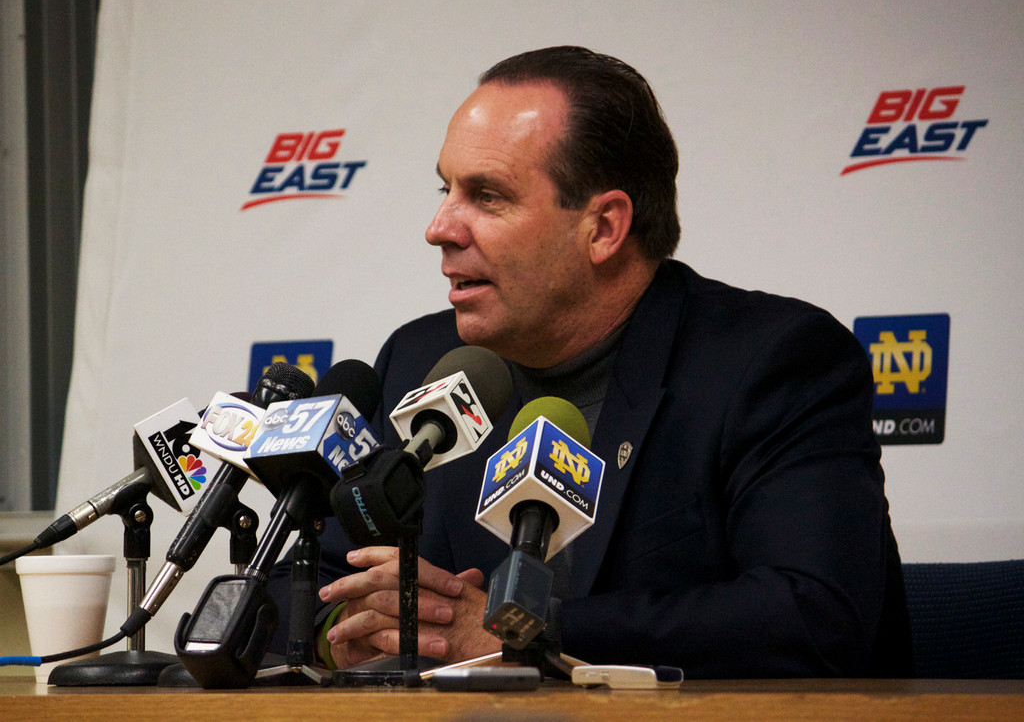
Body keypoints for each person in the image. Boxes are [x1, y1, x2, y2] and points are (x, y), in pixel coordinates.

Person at [268, 46, 913, 678]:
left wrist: (522, 632)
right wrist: (338, 640)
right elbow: (306, 582)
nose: (439, 226)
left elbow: (814, 616)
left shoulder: (773, 361)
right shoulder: (421, 362)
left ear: (604, 227)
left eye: (486, 196)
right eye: (446, 189)